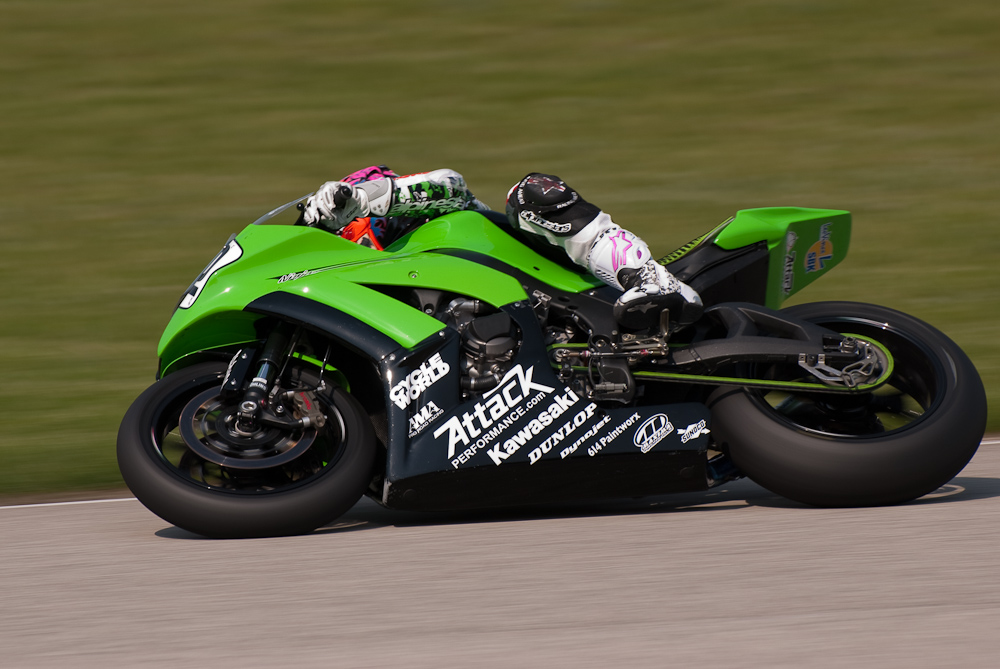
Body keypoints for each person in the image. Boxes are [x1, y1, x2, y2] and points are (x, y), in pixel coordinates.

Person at [301, 166, 703, 330]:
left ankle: (654, 282)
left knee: (531, 194)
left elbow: (450, 185)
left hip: (551, 281)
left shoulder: (436, 222)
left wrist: (357, 197)